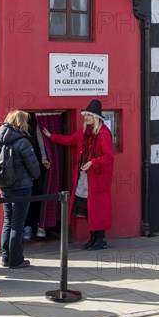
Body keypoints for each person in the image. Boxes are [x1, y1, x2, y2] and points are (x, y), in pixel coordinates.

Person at [43, 99, 114, 250]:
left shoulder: (103, 133)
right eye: (85, 115)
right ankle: (93, 238)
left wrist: (93, 162)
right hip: (85, 177)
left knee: (97, 209)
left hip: (97, 178)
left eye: (89, 115)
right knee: (89, 208)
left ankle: (100, 239)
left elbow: (109, 157)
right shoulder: (85, 131)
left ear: (96, 117)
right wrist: (51, 136)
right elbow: (69, 140)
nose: (86, 118)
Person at [0, 110, 40, 268]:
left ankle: (6, 258)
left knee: (8, 221)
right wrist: (35, 176)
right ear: (22, 123)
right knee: (17, 223)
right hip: (22, 186)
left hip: (5, 185)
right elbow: (34, 168)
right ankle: (16, 260)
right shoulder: (23, 142)